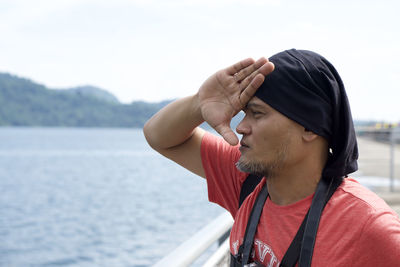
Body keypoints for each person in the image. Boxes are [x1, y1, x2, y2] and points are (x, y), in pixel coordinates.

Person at [143, 49, 400, 266]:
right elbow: (159, 136)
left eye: (257, 114)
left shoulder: (368, 226)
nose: (241, 126)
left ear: (310, 127)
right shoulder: (248, 180)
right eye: (244, 113)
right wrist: (200, 103)